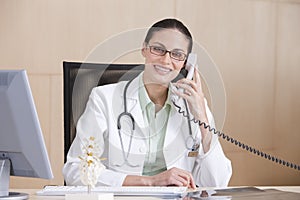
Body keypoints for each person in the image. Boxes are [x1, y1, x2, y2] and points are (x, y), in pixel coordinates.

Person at [63, 18, 232, 188]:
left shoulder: (193, 105)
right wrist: (150, 182)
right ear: (144, 49)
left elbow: (217, 183)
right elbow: (76, 170)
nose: (166, 61)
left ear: (186, 63)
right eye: (158, 49)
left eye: (177, 54)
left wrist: (203, 120)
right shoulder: (104, 98)